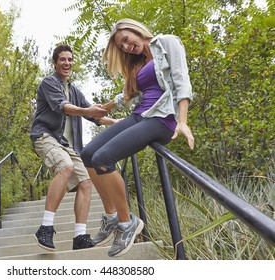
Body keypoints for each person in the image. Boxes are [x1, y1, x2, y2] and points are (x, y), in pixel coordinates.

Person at [80, 18, 195, 257]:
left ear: (135, 30)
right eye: (121, 46)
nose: (126, 47)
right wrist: (108, 107)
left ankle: (127, 222)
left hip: (162, 119)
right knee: (88, 154)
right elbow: (129, 95)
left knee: (104, 158)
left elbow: (181, 80)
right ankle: (111, 216)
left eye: (125, 40)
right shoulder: (139, 62)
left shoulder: (167, 42)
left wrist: (182, 120)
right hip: (141, 115)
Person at [30, 44, 118, 251]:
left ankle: (79, 236)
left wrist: (117, 121)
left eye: (70, 59)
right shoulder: (49, 83)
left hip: (66, 145)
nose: (67, 63)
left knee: (86, 183)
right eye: (62, 59)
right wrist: (88, 109)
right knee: (66, 167)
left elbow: (94, 115)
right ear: (55, 63)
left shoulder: (75, 91)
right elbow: (65, 108)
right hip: (45, 136)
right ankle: (45, 227)